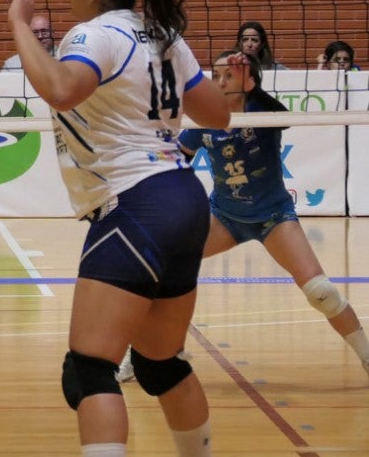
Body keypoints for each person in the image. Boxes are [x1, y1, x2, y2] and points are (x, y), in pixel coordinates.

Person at [6, 0, 234, 457]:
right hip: (184, 198)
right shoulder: (164, 36)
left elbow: (60, 88)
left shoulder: (96, 34)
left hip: (136, 205)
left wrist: (20, 24)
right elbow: (216, 114)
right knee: (160, 363)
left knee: (89, 370)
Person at [117, 53, 369, 381]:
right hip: (223, 217)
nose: (220, 82)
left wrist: (253, 84)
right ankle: (141, 356)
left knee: (322, 292)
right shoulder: (205, 120)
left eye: (229, 76)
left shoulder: (262, 112)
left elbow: (283, 116)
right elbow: (180, 160)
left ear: (248, 82)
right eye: (216, 75)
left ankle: (366, 355)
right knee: (160, 270)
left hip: (274, 218)